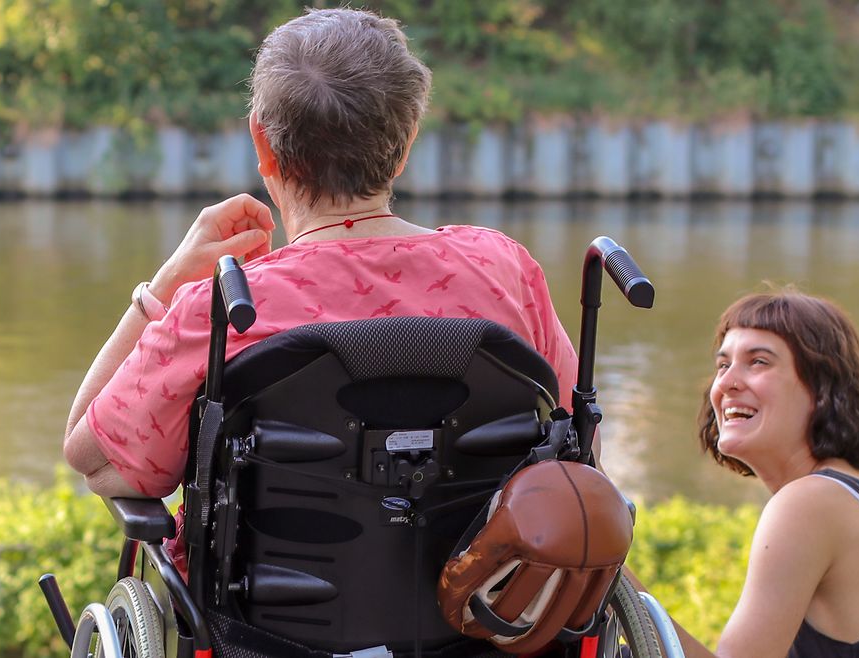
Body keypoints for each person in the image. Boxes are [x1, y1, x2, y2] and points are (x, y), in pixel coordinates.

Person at [63, 8, 576, 508]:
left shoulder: (219, 310)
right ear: (406, 144)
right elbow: (577, 442)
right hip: (484, 591)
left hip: (275, 593)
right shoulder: (503, 269)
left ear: (262, 144)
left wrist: (167, 286)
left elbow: (91, 458)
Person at [640, 288, 859, 657]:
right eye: (723, 365)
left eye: (758, 362)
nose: (726, 383)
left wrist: (608, 575)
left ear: (822, 390)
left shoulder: (811, 504)